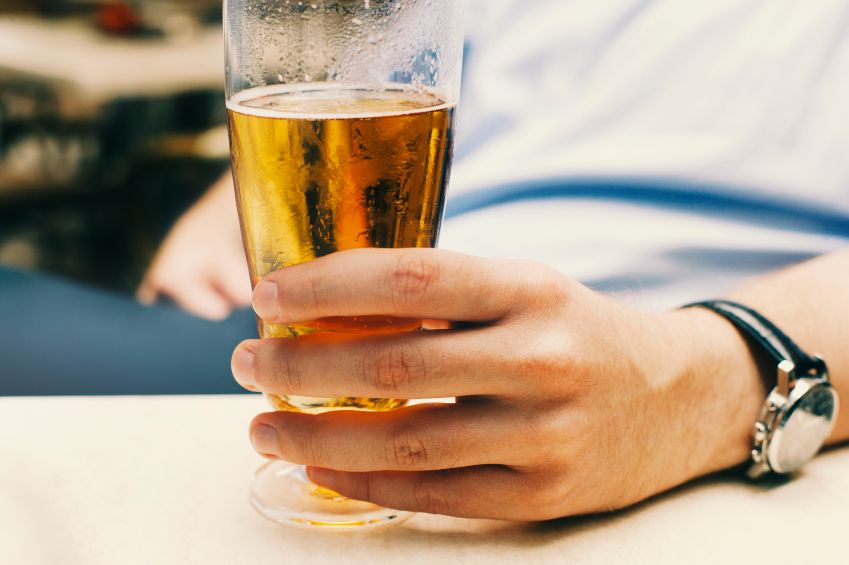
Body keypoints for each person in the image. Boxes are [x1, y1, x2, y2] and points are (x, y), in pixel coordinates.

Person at [3, 0, 849, 519]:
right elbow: (370, 94)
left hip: (639, 355)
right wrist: (231, 198)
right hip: (333, 323)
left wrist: (694, 380)